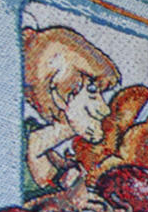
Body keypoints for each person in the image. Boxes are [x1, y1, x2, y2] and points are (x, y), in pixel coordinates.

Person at [20, 24, 124, 189]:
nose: (104, 109)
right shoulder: (28, 148)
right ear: (59, 97)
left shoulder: (51, 151)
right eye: (92, 92)